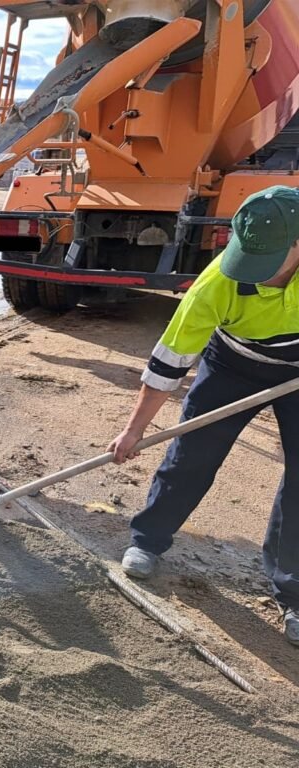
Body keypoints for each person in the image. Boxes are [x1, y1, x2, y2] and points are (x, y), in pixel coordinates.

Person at [109, 185, 299, 647]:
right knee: (193, 454)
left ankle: (293, 590)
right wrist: (133, 431)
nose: (252, 268)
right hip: (233, 365)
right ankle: (148, 540)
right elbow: (169, 362)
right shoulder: (218, 282)